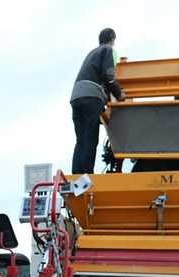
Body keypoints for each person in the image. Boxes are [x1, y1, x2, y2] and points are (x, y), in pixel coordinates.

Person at [70, 27, 125, 174]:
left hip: (76, 96)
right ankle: (87, 174)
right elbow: (109, 76)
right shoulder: (108, 50)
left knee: (81, 139)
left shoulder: (92, 53)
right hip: (91, 96)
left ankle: (77, 175)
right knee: (90, 137)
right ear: (112, 39)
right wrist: (119, 94)